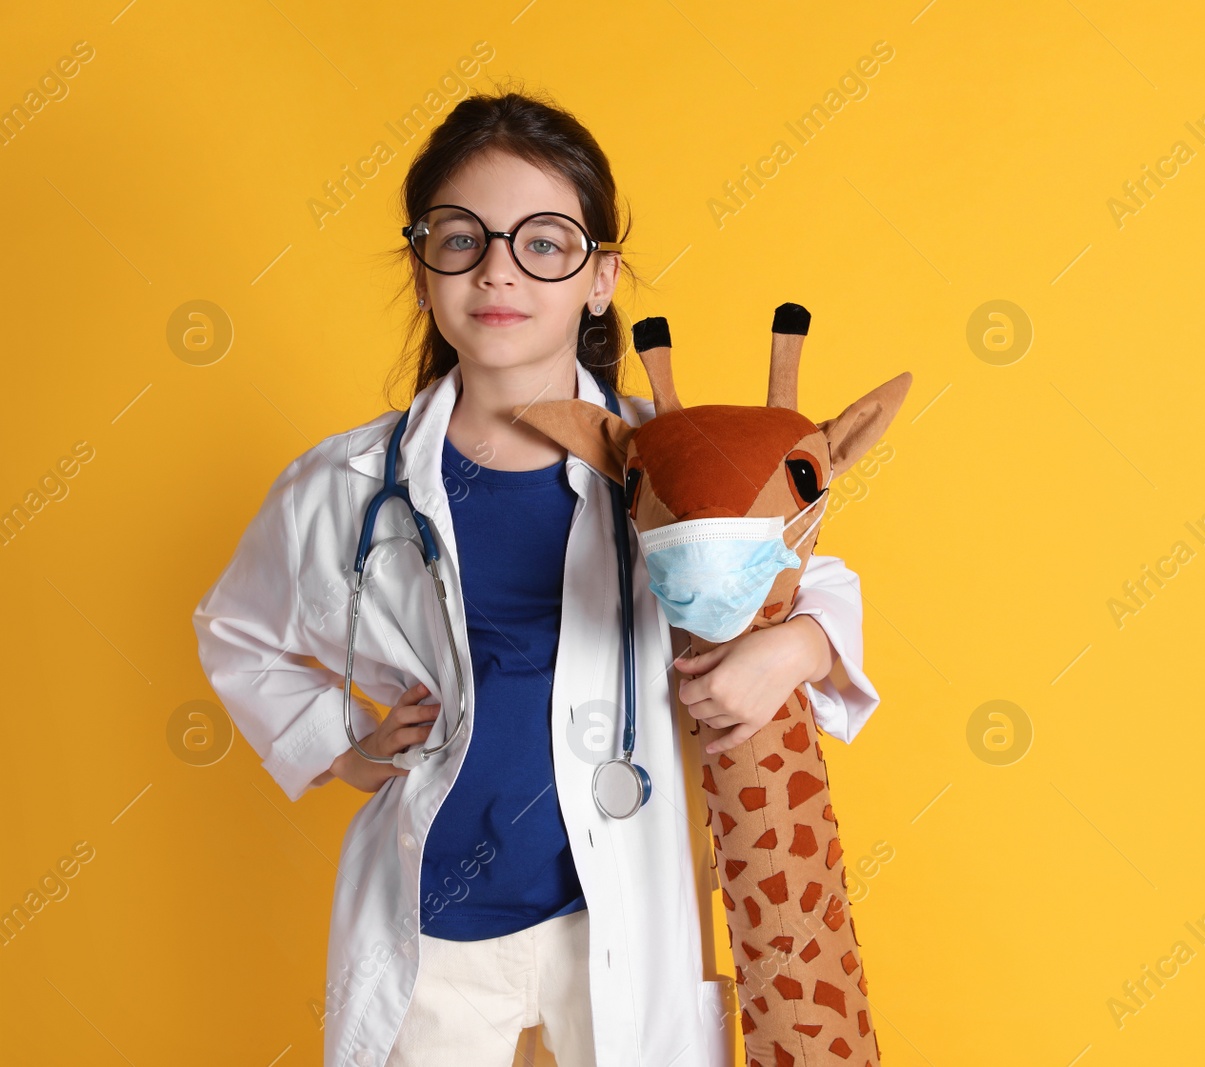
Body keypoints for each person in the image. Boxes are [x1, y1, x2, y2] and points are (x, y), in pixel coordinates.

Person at [192, 89, 881, 1067]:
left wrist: (796, 646)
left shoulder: (669, 460)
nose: (499, 270)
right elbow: (236, 629)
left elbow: (810, 571)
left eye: (544, 243)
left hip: (616, 911)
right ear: (424, 263)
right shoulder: (342, 486)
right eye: (462, 238)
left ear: (598, 278)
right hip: (431, 923)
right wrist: (339, 742)